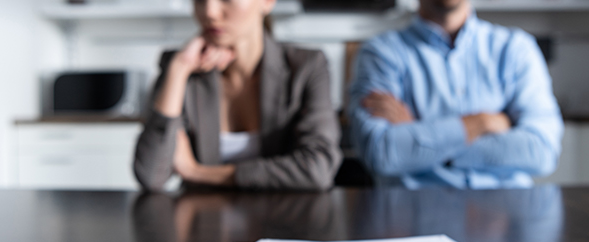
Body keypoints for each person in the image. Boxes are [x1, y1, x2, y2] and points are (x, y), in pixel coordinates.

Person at [347, 0, 564, 189]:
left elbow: (542, 151)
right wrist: (481, 123)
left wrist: (421, 138)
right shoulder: (381, 53)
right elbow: (382, 152)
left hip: (507, 217)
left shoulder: (515, 49)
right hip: (415, 214)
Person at [134, 0, 342, 191]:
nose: (210, 12)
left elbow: (318, 168)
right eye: (199, 0)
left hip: (282, 224)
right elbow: (150, 175)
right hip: (203, 225)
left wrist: (197, 173)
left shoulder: (306, 67)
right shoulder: (182, 66)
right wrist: (179, 69)